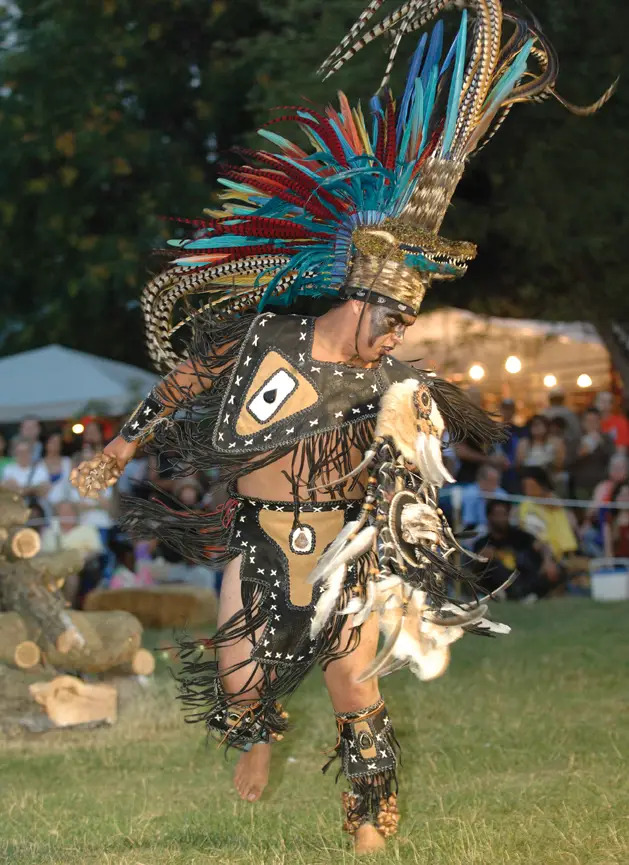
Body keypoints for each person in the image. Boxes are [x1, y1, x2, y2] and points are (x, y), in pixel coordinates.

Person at [68, 2, 609, 854]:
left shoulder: (386, 381)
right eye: (390, 320)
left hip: (342, 546)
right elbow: (188, 375)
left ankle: (369, 811)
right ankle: (257, 732)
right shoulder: (269, 339)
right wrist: (122, 442)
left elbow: (419, 468)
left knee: (353, 675)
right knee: (241, 682)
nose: (399, 338)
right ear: (359, 296)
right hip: (259, 536)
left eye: (404, 326)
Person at [472, 500, 559, 600]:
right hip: (500, 581)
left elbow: (542, 546)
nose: (501, 518)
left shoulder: (520, 536)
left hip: (525, 578)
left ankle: (525, 594)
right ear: (489, 517)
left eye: (504, 514)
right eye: (497, 514)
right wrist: (480, 558)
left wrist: (548, 561)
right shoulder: (483, 543)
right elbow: (473, 569)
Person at [518, 467, 578, 561]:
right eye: (527, 486)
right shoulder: (527, 505)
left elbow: (573, 524)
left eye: (532, 486)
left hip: (566, 552)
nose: (529, 489)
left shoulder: (556, 504)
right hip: (544, 553)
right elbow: (534, 533)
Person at [571, 408, 614, 501]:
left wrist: (601, 443)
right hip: (581, 484)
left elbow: (612, 458)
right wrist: (580, 453)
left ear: (599, 422)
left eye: (595, 421)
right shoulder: (575, 440)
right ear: (582, 422)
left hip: (602, 485)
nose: (591, 424)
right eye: (588, 421)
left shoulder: (606, 439)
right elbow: (568, 462)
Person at [1, 438, 51, 505]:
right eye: (20, 452)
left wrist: (19, 490)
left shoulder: (40, 468)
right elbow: (5, 488)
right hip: (14, 506)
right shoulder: (9, 469)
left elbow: (44, 489)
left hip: (36, 507)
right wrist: (33, 489)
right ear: (15, 454)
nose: (23, 455)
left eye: (26, 452)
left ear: (31, 453)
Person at [459, 464, 508, 531]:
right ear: (481, 480)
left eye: (497, 481)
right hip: (473, 528)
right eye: (491, 480)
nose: (495, 484)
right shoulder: (469, 493)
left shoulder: (502, 494)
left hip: (496, 528)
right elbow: (469, 520)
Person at [543, 387, 581, 467]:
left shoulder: (545, 413)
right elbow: (576, 434)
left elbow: (576, 435)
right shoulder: (570, 414)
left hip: (562, 453)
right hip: (554, 452)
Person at [496, 398, 526, 493]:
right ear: (500, 410)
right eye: (505, 409)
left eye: (509, 409)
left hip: (514, 472)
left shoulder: (520, 431)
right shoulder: (493, 430)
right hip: (498, 470)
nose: (507, 412)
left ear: (513, 411)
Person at [39, 430, 72, 506]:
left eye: (58, 442)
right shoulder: (38, 465)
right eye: (52, 441)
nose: (55, 444)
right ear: (46, 444)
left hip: (65, 506)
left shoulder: (67, 462)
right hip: (44, 507)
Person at [603, 481, 629, 558]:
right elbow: (608, 550)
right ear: (615, 498)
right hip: (618, 566)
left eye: (628, 495)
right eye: (622, 495)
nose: (625, 499)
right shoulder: (610, 520)